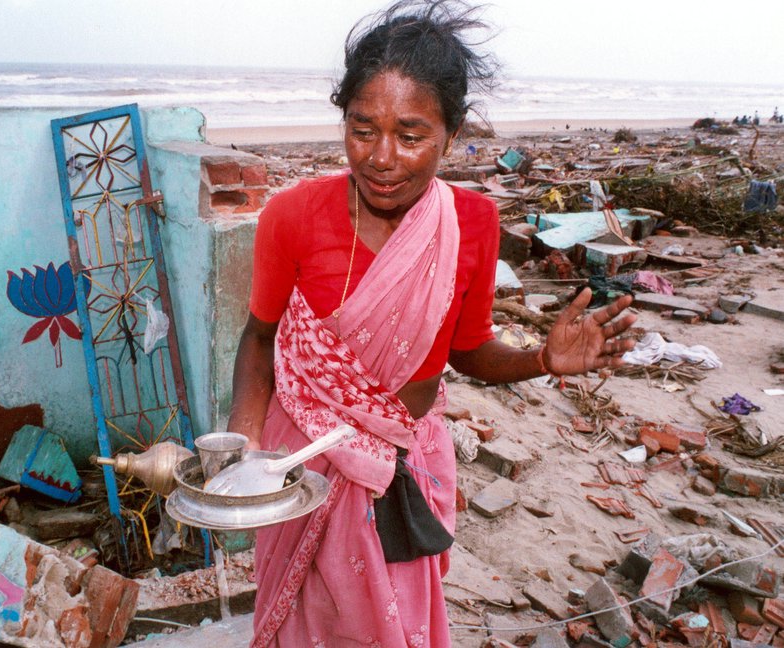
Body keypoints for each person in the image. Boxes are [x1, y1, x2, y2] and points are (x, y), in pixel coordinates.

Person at [227, 2, 637, 646]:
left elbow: (468, 349)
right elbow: (259, 338)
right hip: (302, 458)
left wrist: (541, 360)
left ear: (452, 131)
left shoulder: (471, 222)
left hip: (402, 461)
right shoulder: (292, 215)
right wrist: (245, 449)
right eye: (362, 130)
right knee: (303, 619)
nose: (382, 158)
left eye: (411, 135)